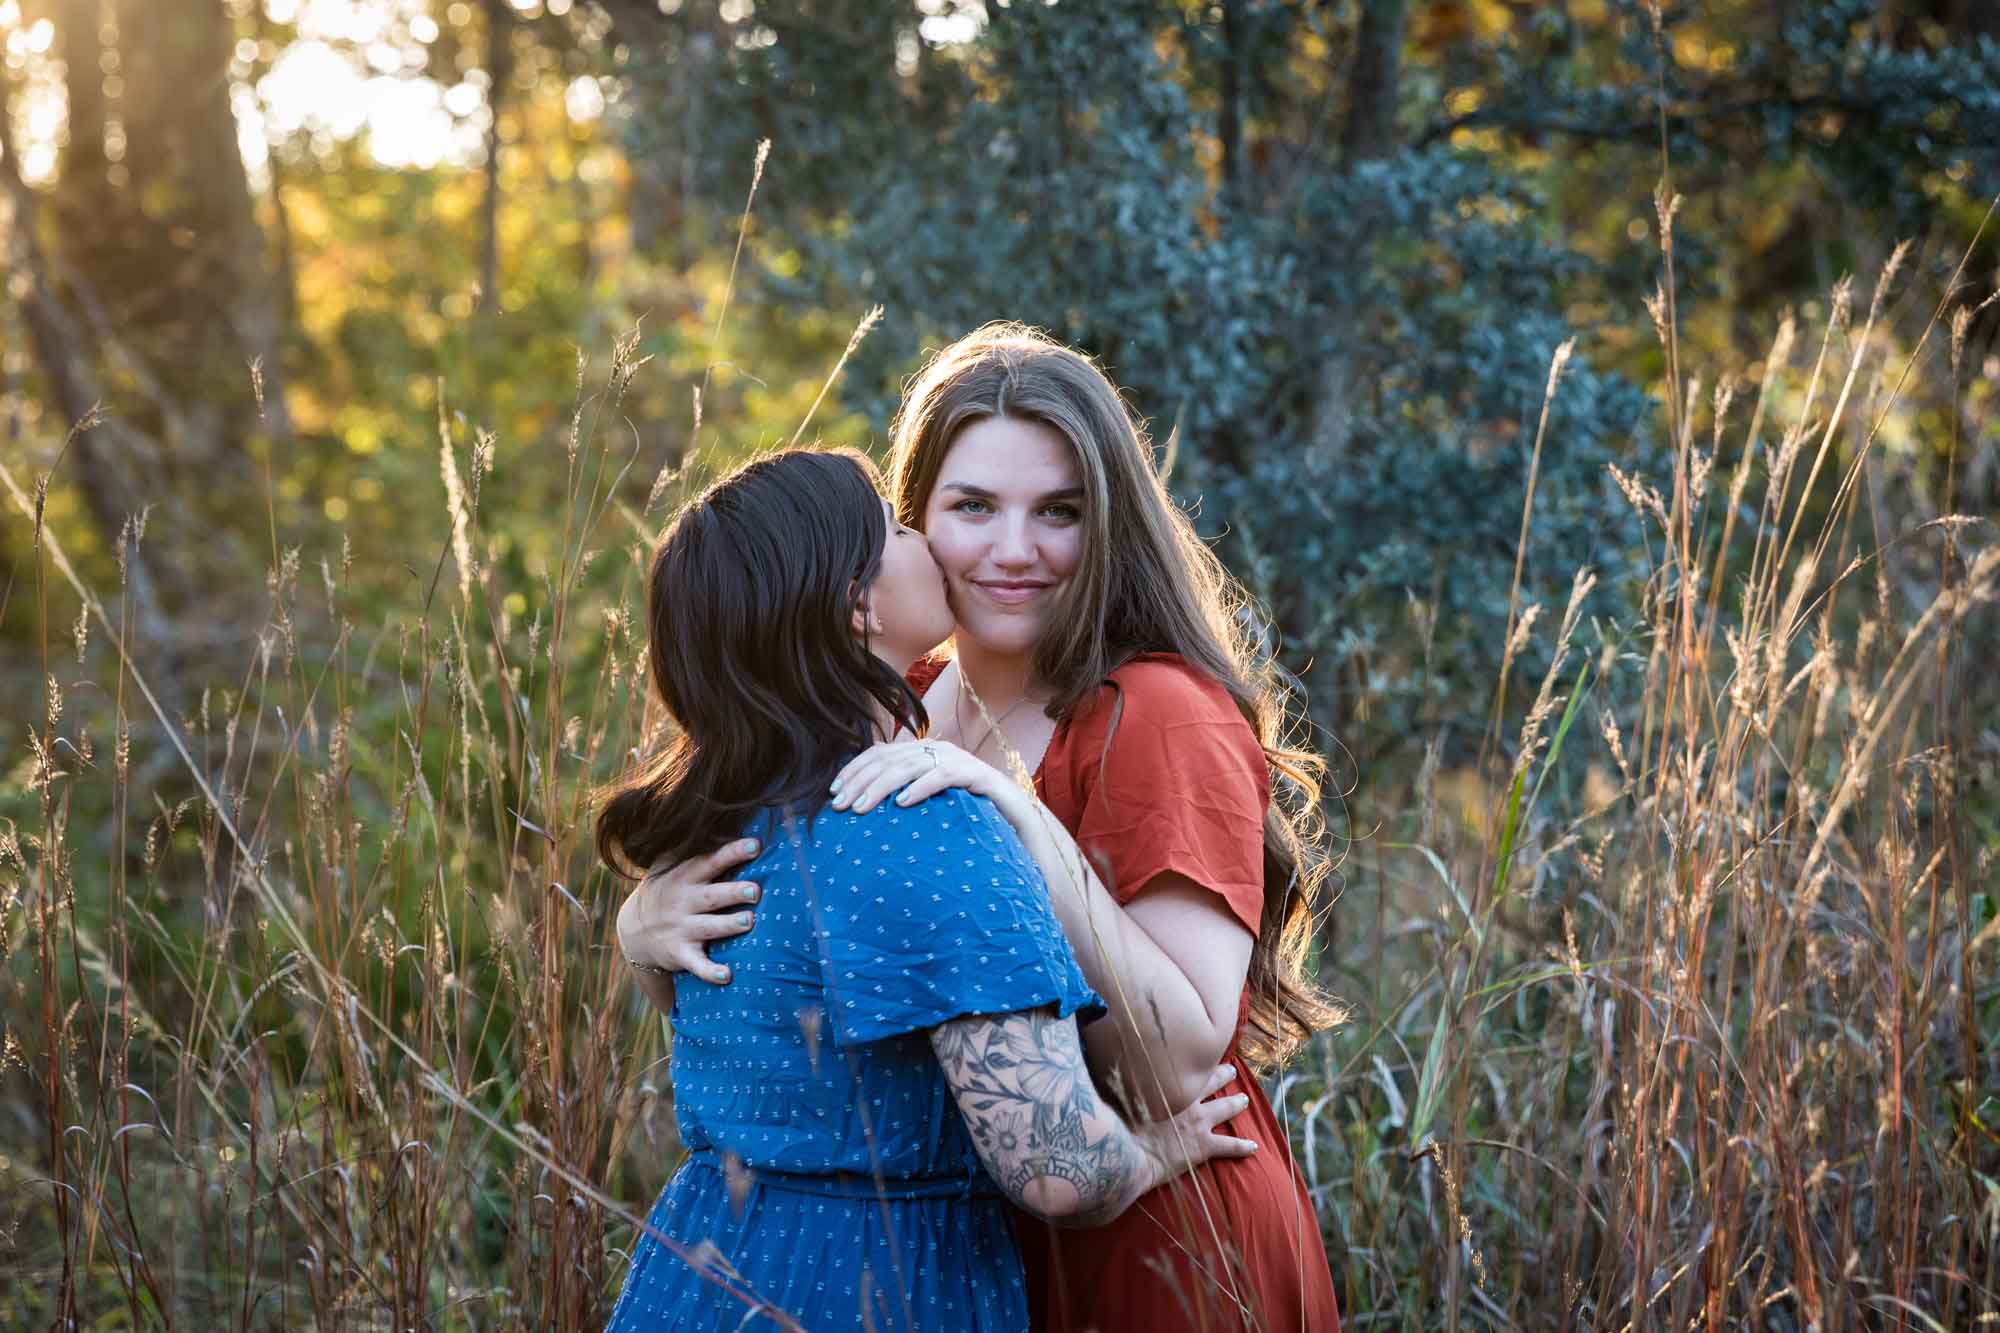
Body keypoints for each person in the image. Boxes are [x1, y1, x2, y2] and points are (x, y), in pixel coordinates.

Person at [621, 326, 1345, 1331]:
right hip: (957, 1239)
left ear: (1111, 527)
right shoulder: (896, 700)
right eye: (970, 508)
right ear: (909, 534)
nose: (1014, 550)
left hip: (1148, 1232)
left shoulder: (1155, 712)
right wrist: (642, 927)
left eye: (1060, 512)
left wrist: (1019, 815)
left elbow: (1178, 1059)